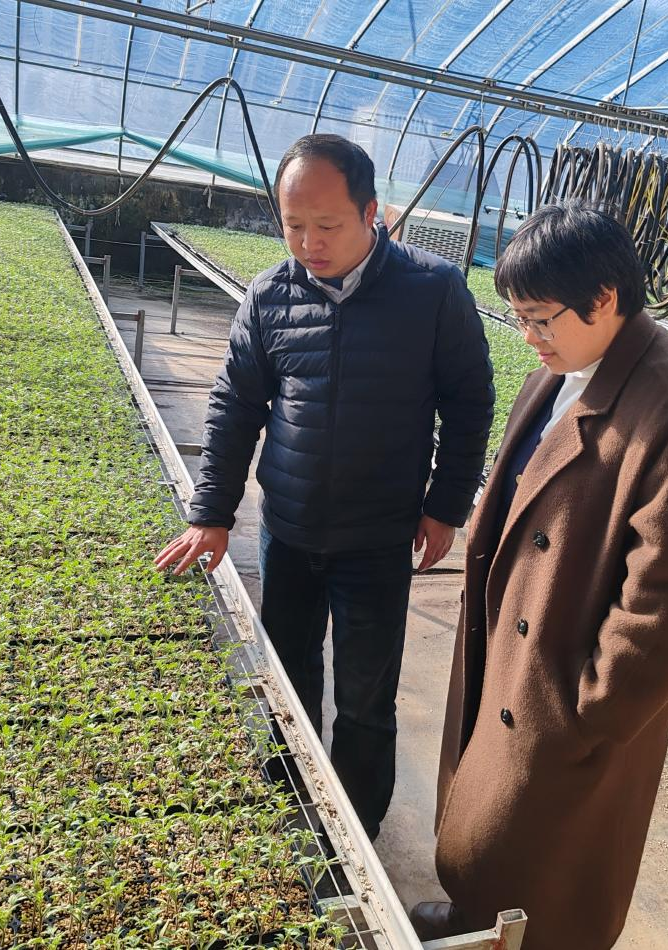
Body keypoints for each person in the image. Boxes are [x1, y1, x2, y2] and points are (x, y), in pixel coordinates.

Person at [411, 203, 668, 948]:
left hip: (561, 691)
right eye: (518, 318)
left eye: (539, 319)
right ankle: (472, 918)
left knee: (544, 862)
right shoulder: (560, 372)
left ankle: (504, 932)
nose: (527, 337)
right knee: (487, 826)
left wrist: (587, 713)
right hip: (518, 653)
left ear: (604, 298)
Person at [154, 134, 495, 840]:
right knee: (287, 678)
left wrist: (445, 506)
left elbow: (468, 402)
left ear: (373, 213)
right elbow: (235, 407)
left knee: (366, 697)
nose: (309, 243)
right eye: (293, 225)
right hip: (288, 530)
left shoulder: (432, 291)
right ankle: (291, 812)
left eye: (327, 225)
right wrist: (211, 513)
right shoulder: (269, 296)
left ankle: (355, 829)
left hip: (377, 538)